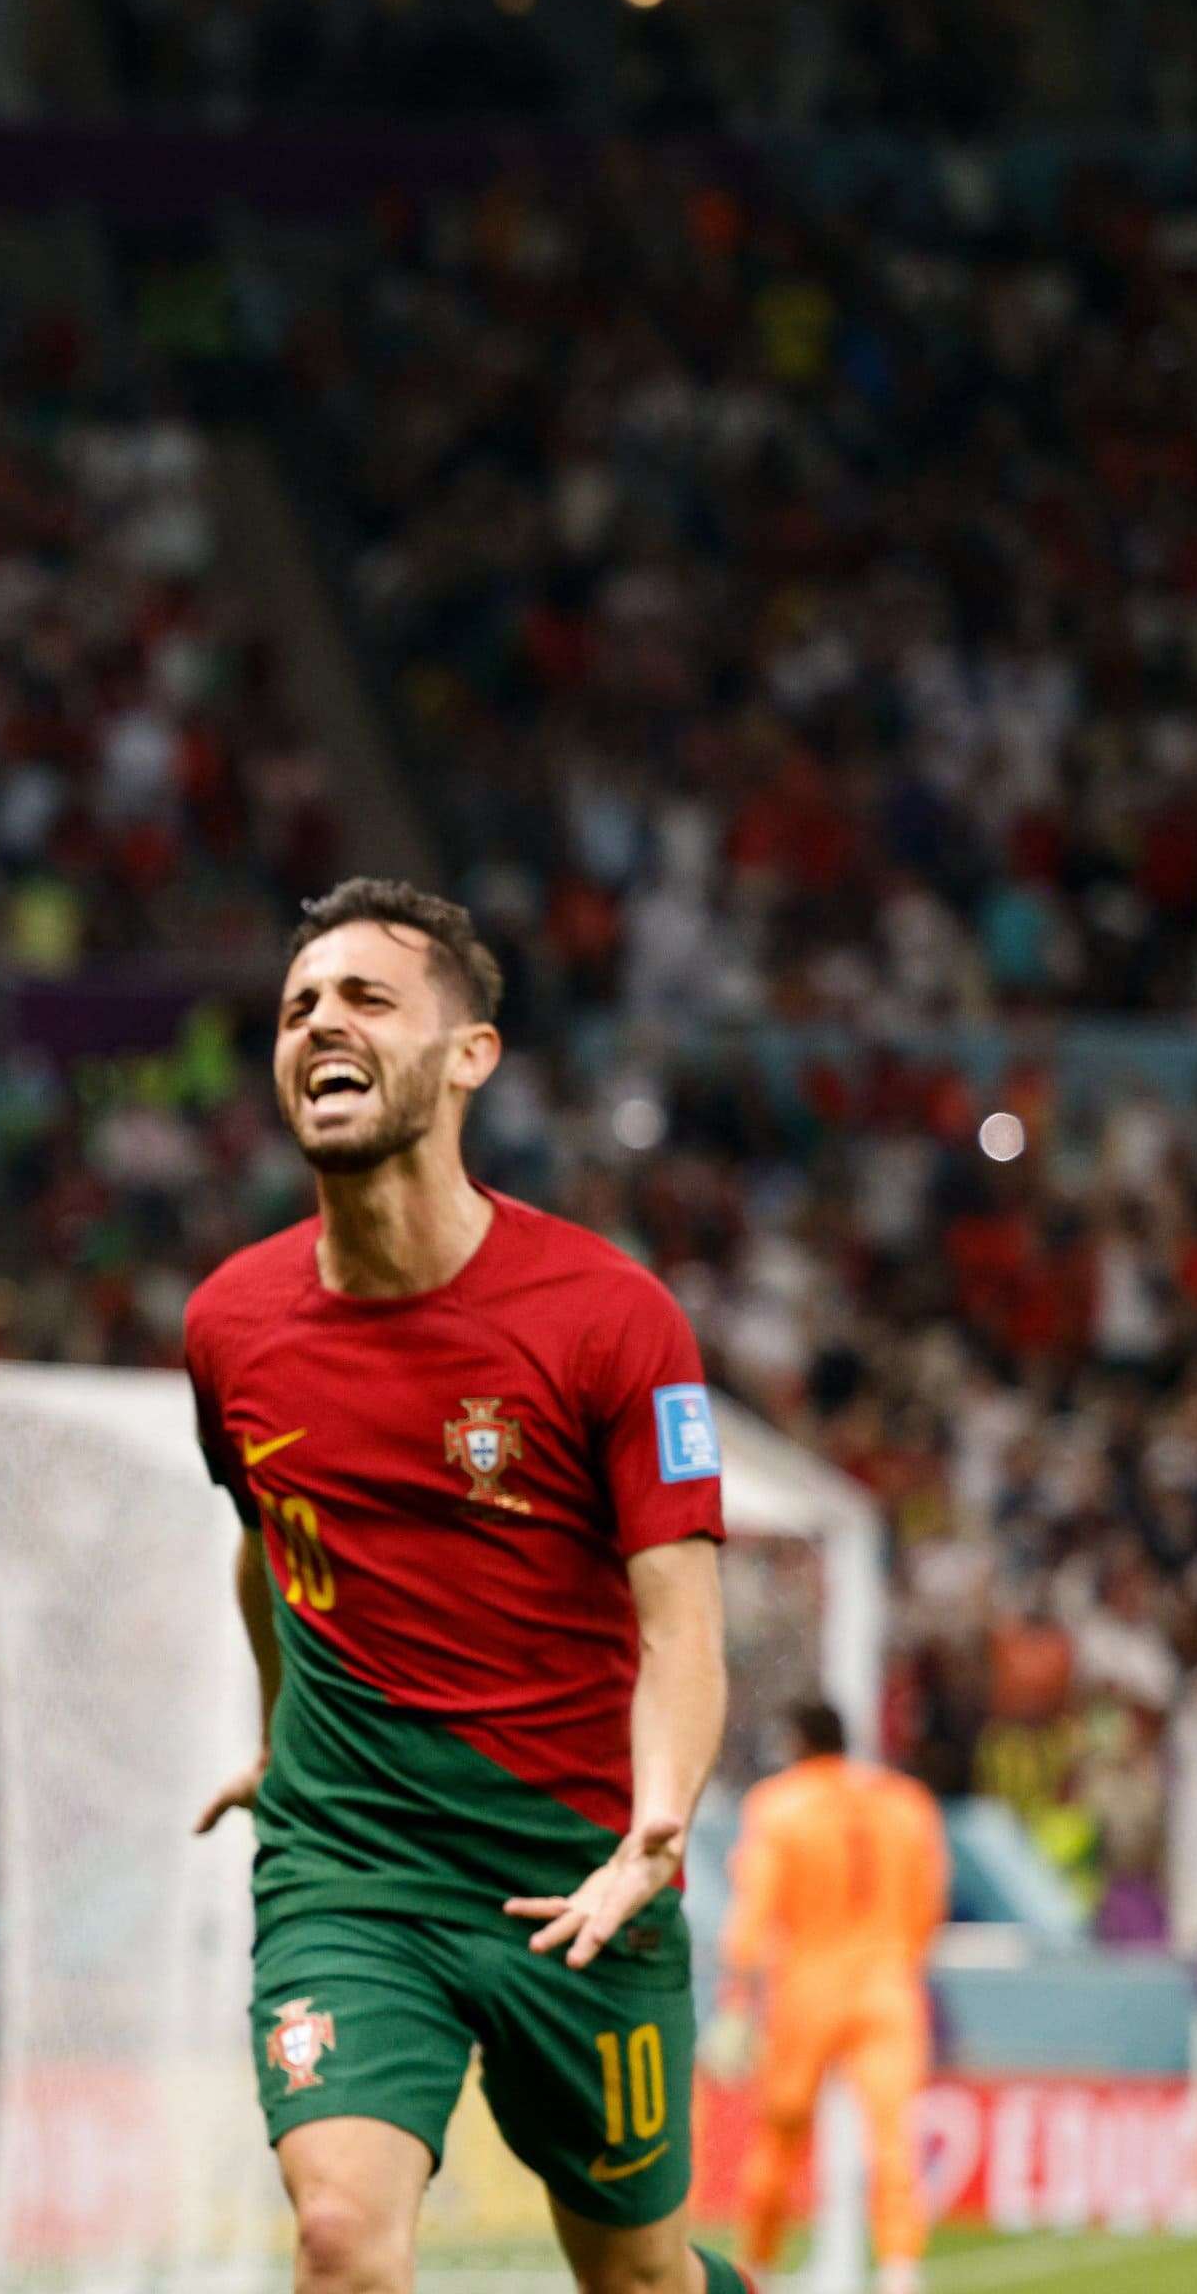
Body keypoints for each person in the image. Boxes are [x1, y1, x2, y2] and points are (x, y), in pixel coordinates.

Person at [186, 880, 747, 2294]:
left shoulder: (611, 1318)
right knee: (339, 2240)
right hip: (349, 1868)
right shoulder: (228, 1324)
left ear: (467, 1056)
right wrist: (275, 1731)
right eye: (296, 1006)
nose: (319, 1021)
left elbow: (680, 1629)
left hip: (574, 1877)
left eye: (364, 998)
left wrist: (655, 1829)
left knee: (637, 2277)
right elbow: (270, 1543)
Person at [723, 1702, 947, 2294]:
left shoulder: (778, 1806)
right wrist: (900, 1958)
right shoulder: (906, 1803)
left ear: (797, 1742)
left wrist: (736, 1997)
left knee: (779, 2137)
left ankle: (758, 2267)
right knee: (893, 2137)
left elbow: (754, 1911)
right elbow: (929, 1903)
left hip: (807, 1988)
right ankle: (900, 2271)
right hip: (888, 1986)